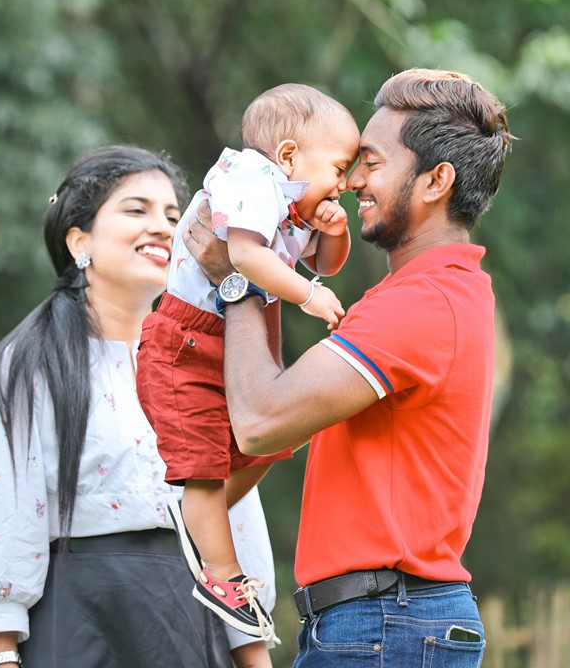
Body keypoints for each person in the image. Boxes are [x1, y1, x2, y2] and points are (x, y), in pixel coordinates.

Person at [185, 68, 513, 667]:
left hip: (386, 623)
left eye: (372, 162)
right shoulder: (433, 292)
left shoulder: (421, 303)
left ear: (436, 181)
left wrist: (236, 277)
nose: (353, 180)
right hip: (387, 621)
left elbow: (259, 421)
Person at [0, 145, 279, 668]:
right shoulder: (29, 361)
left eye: (172, 215)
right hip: (75, 620)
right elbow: (8, 512)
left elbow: (235, 516)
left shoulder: (204, 359)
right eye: (136, 209)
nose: (163, 227)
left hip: (191, 614)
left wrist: (252, 649)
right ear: (79, 240)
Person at [136, 84, 360, 641]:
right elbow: (244, 257)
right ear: (288, 155)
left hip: (231, 341)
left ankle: (195, 520)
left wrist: (335, 232)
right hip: (185, 342)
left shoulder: (292, 204)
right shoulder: (250, 181)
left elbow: (325, 264)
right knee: (204, 464)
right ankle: (223, 573)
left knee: (267, 447)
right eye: (339, 168)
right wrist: (307, 297)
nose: (345, 183)